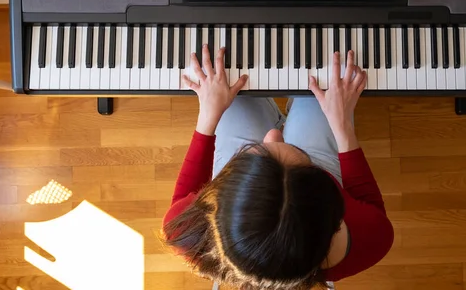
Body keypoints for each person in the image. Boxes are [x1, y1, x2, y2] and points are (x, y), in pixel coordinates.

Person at [161, 45, 394, 289]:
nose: (274, 134)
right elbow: (368, 203)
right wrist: (342, 125)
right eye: (299, 153)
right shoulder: (373, 240)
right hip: (299, 182)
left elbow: (183, 198)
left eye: (256, 152)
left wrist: (208, 115)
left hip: (263, 184)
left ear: (215, 199)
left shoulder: (184, 235)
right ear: (332, 206)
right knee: (325, 76)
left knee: (229, 81)